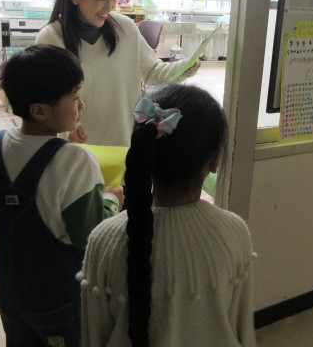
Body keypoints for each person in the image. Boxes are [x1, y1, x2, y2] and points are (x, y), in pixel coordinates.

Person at [0, 44, 124, 346]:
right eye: (75, 97)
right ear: (40, 111)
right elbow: (91, 235)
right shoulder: (76, 160)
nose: (82, 105)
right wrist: (112, 198)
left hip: (10, 293)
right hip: (59, 299)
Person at [80, 83, 256, 347]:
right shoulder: (235, 232)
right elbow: (242, 332)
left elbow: (92, 337)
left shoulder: (102, 240)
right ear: (215, 160)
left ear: (142, 152)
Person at [36, 0, 199, 147]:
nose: (110, 6)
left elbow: (152, 72)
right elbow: (47, 100)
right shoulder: (51, 38)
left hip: (124, 141)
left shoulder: (125, 28)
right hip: (78, 145)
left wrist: (185, 67)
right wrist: (69, 126)